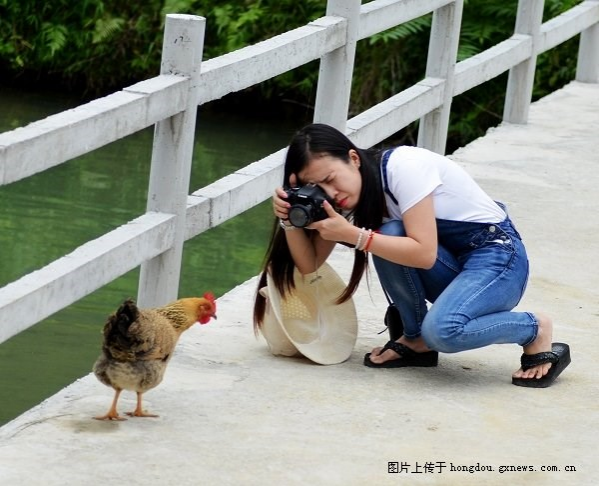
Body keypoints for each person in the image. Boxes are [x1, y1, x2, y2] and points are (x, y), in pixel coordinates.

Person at [253, 123, 570, 387]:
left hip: (499, 259)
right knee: (388, 234)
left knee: (443, 331)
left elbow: (423, 253)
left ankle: (533, 327)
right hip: (455, 266)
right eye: (317, 187)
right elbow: (309, 265)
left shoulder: (403, 167)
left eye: (330, 179)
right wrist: (289, 221)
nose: (330, 193)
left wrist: (355, 236)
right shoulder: (348, 201)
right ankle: (414, 337)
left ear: (353, 158)